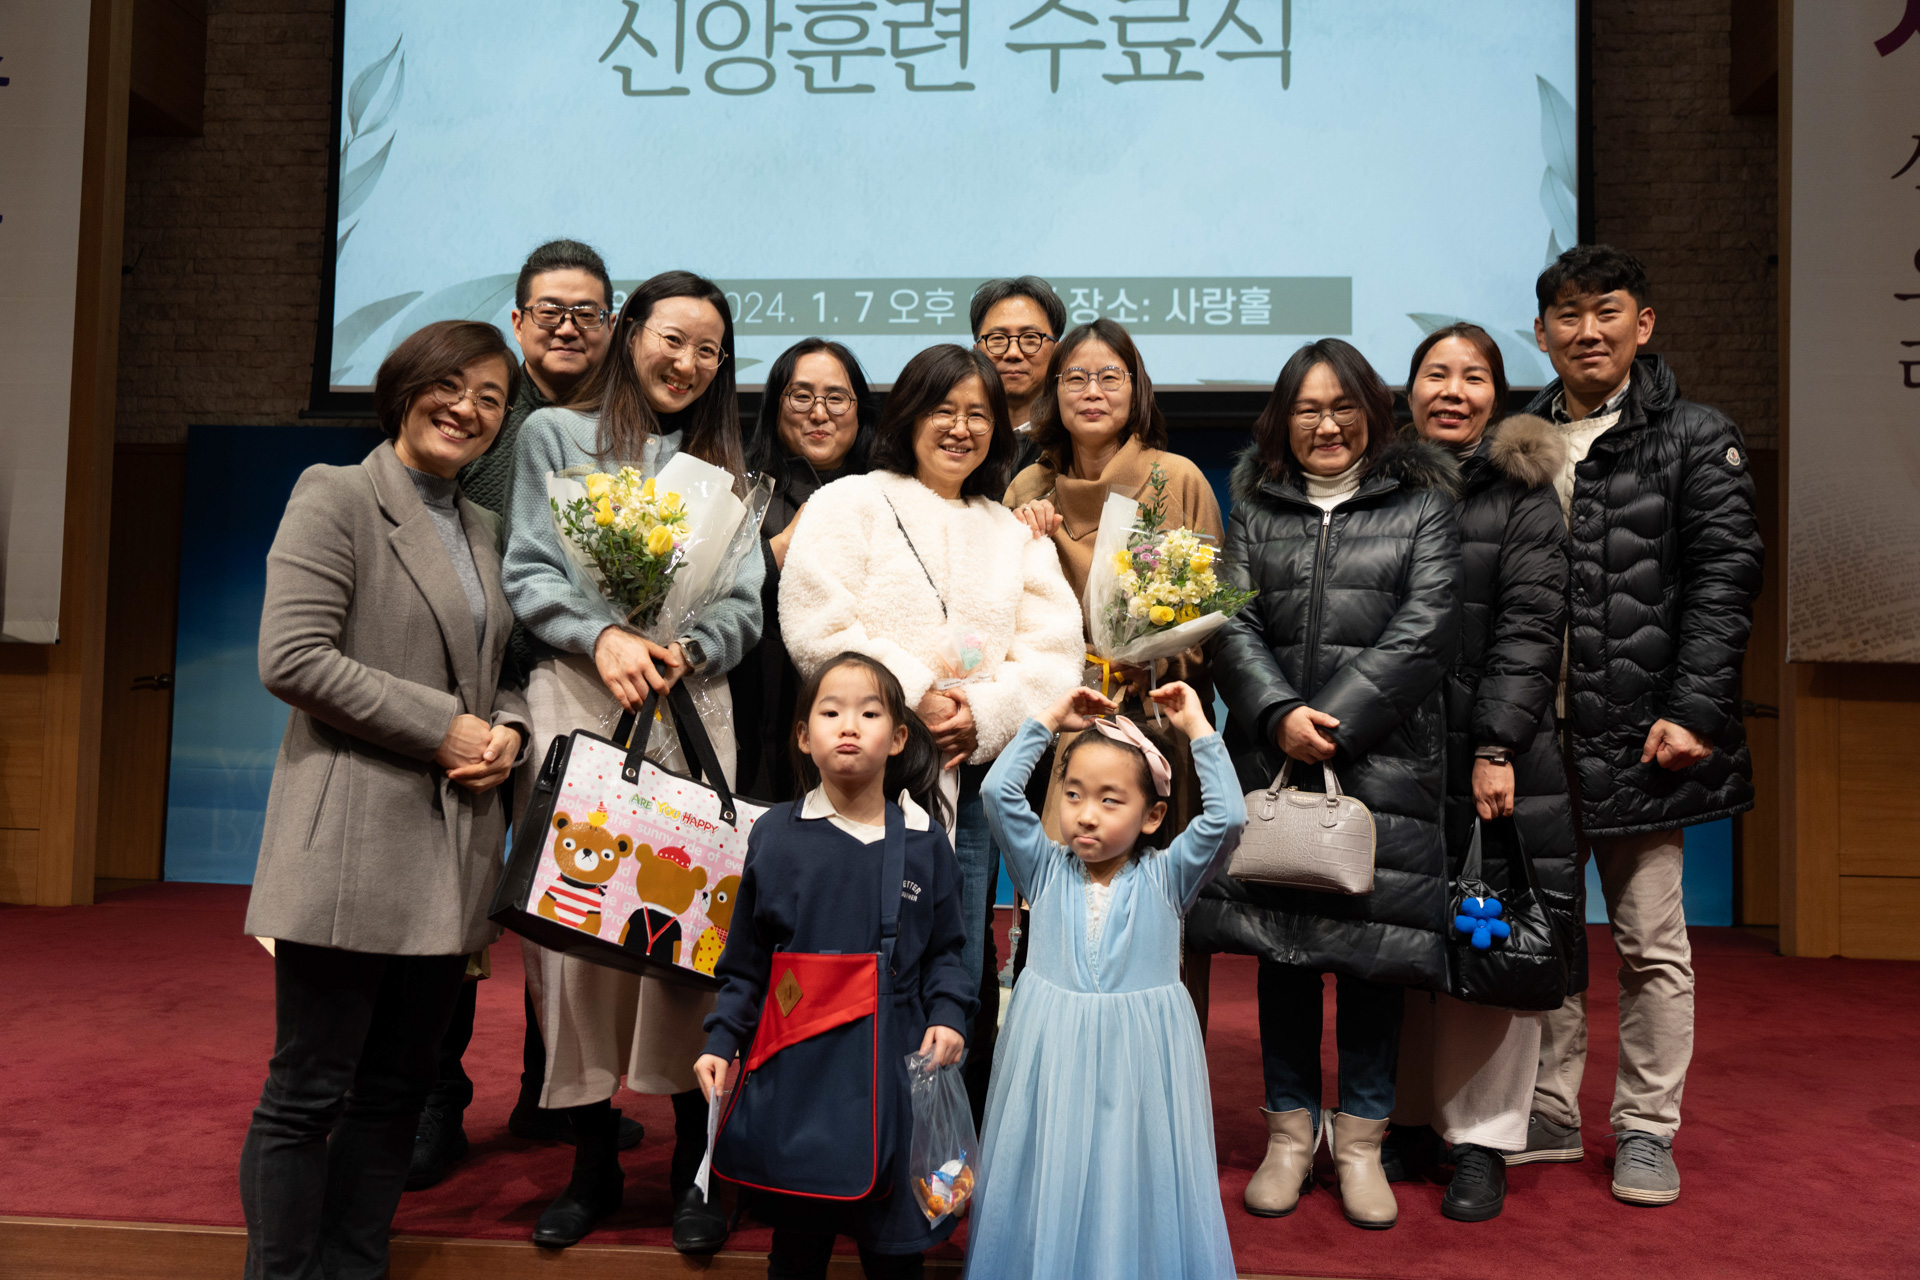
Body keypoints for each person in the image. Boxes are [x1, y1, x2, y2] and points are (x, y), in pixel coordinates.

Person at [238, 320, 530, 1279]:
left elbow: (498, 673)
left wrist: (509, 731)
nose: (467, 409)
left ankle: (355, 1267)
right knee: (308, 1090)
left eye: (490, 398)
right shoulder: (336, 494)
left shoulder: (483, 527)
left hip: (454, 848)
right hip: (352, 838)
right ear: (406, 387)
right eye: (451, 385)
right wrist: (444, 727)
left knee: (398, 1089)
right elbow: (293, 657)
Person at [502, 270, 762, 1252]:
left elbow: (744, 601)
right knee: (575, 942)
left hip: (688, 709)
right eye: (672, 339)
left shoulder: (726, 466)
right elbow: (529, 565)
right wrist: (600, 634)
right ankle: (590, 1163)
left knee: (688, 939)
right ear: (630, 334)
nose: (688, 362)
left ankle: (694, 1163)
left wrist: (689, 647)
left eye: (709, 350)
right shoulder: (552, 436)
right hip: (581, 696)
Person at [1187, 338, 1461, 1230]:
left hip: (1384, 765)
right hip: (1275, 760)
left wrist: (1328, 721)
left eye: (1343, 406)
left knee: (1373, 962)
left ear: (1373, 414)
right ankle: (1289, 1136)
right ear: (1283, 419)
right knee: (1285, 954)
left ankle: (1362, 1144)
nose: (1327, 424)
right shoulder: (1256, 508)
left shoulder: (1423, 505)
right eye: (1307, 408)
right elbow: (1229, 622)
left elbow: (1427, 628)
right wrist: (1277, 717)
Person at [1512, 245, 1762, 1206]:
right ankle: (1549, 1108)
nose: (1588, 332)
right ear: (1542, 334)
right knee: (1548, 935)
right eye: (1567, 317)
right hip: (1537, 737)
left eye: (1606, 311)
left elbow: (1725, 580)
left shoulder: (1695, 435)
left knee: (1652, 944)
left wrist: (1695, 709)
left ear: (1642, 325)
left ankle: (1648, 1129)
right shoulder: (1516, 439)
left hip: (1641, 735)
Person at [779, 343, 1084, 1126]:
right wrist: (913, 697)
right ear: (909, 416)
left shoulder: (1013, 532)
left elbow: (1054, 655)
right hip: (861, 774)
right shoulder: (849, 502)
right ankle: (839, 1122)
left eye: (979, 414)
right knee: (844, 948)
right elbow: (816, 624)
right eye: (944, 410)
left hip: (967, 781)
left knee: (959, 949)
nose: (961, 428)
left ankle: (942, 1131)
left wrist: (983, 714)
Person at [411, 237, 627, 1193]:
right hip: (469, 695)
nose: (568, 327)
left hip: (571, 692)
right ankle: (435, 1099)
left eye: (587, 312)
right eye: (550, 311)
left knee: (565, 901)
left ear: (611, 324)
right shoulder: (484, 411)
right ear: (518, 319)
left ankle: (557, 1094)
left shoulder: (623, 424)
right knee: (457, 904)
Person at [1385, 323, 1582, 1222]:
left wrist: (1496, 745)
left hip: (1492, 755)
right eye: (1437, 374)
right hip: (1395, 748)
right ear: (1410, 389)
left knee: (1488, 934)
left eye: (1473, 376)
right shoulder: (1381, 483)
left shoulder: (1523, 494)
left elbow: (1532, 626)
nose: (1453, 391)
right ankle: (1408, 1119)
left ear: (1496, 395)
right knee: (1401, 942)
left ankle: (1484, 1140)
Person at [695, 653, 975, 1280]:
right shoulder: (776, 834)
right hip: (800, 1067)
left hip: (896, 1063)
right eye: (831, 712)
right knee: (798, 1245)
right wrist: (723, 1039)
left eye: (870, 713)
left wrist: (949, 1013)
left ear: (898, 738)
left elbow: (945, 951)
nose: (849, 725)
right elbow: (747, 962)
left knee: (895, 1251)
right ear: (804, 736)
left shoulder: (925, 839)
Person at [967, 681, 1243, 1280]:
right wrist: (1048, 720)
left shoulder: (1169, 877)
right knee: (1054, 1167)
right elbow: (996, 791)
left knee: (1128, 1171)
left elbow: (1228, 819)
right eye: (1073, 794)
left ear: (1153, 816)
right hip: (1054, 1054)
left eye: (1110, 800)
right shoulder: (1043, 867)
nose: (1086, 814)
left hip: (1136, 1060)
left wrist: (1199, 729)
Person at [730, 338, 878, 802]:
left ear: (859, 410)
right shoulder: (738, 490)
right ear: (775, 405)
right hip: (756, 706)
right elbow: (704, 600)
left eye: (836, 398)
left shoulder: (887, 494)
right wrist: (779, 546)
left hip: (863, 712)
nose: (819, 413)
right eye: (801, 396)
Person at [971, 276, 1064, 473]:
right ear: (977, 352)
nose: (1013, 353)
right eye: (997, 338)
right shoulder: (959, 437)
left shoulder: (1075, 440)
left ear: (1057, 352)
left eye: (1030, 338)